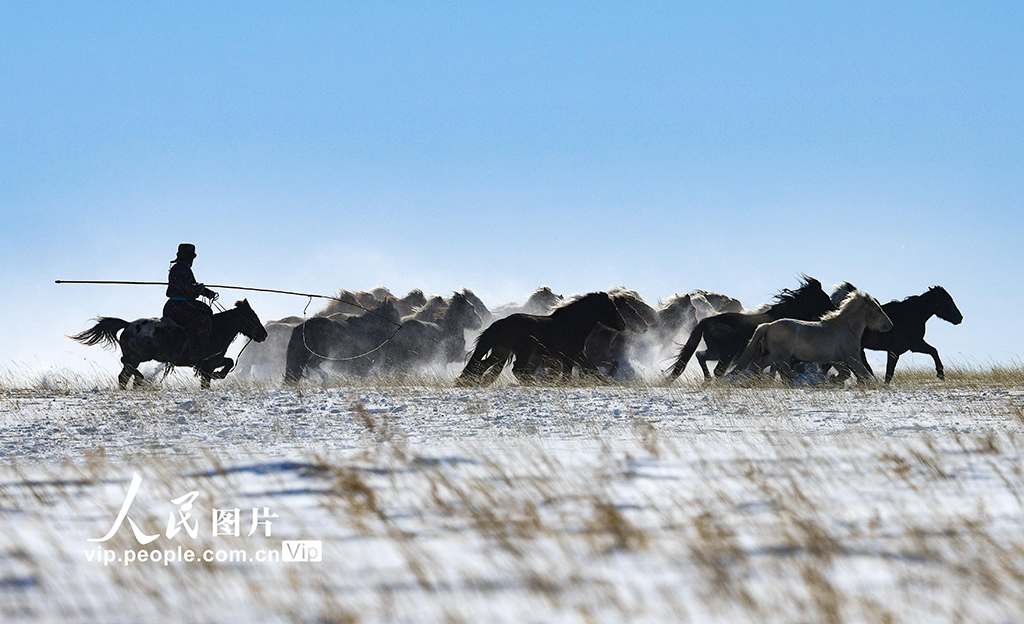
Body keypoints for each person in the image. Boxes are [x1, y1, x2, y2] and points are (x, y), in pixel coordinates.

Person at [163, 243, 219, 364]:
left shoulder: (181, 268)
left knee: (206, 311)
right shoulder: (181, 269)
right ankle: (198, 352)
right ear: (189, 258)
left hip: (179, 305)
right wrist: (200, 289)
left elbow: (190, 286)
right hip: (178, 306)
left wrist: (206, 292)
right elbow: (187, 288)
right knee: (201, 319)